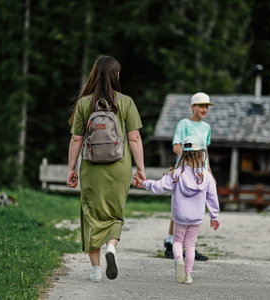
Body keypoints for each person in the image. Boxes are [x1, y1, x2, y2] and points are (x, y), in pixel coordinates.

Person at [67, 55, 146, 282]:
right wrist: (140, 170)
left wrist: (71, 169)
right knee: (114, 214)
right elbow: (135, 139)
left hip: (92, 167)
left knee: (92, 213)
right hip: (119, 166)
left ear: (94, 75)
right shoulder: (126, 102)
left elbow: (76, 140)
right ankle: (111, 247)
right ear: (116, 75)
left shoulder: (84, 103)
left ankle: (95, 271)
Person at [135, 135, 219, 284]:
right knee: (191, 245)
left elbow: (159, 186)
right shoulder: (206, 176)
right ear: (201, 154)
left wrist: (145, 184)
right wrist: (214, 216)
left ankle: (179, 259)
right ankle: (188, 275)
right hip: (196, 217)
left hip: (180, 216)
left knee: (178, 241)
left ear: (183, 155)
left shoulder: (176, 174)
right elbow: (212, 197)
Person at [164, 92, 214, 261]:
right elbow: (176, 146)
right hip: (186, 170)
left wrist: (209, 172)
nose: (204, 109)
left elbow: (205, 151)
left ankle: (190, 246)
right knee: (180, 207)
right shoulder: (183, 124)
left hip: (201, 172)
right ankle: (171, 242)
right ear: (193, 107)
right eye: (201, 106)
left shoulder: (206, 127)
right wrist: (189, 155)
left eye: (206, 106)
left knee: (196, 209)